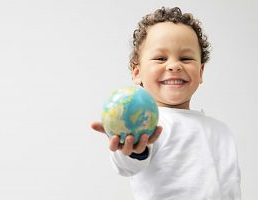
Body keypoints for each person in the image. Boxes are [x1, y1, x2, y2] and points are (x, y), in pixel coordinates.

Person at [91, 6, 241, 200]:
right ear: (137, 73)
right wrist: (134, 149)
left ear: (201, 71)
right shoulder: (147, 127)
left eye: (186, 58)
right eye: (160, 58)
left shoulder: (221, 130)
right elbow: (128, 166)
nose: (174, 66)